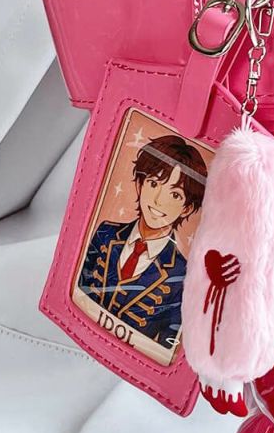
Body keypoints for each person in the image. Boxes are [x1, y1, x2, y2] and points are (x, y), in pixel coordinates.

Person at [77, 133, 207, 355]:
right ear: (139, 184)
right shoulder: (105, 233)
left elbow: (165, 347)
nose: (158, 201)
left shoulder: (182, 274)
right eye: (153, 183)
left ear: (186, 208)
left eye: (175, 195)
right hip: (77, 335)